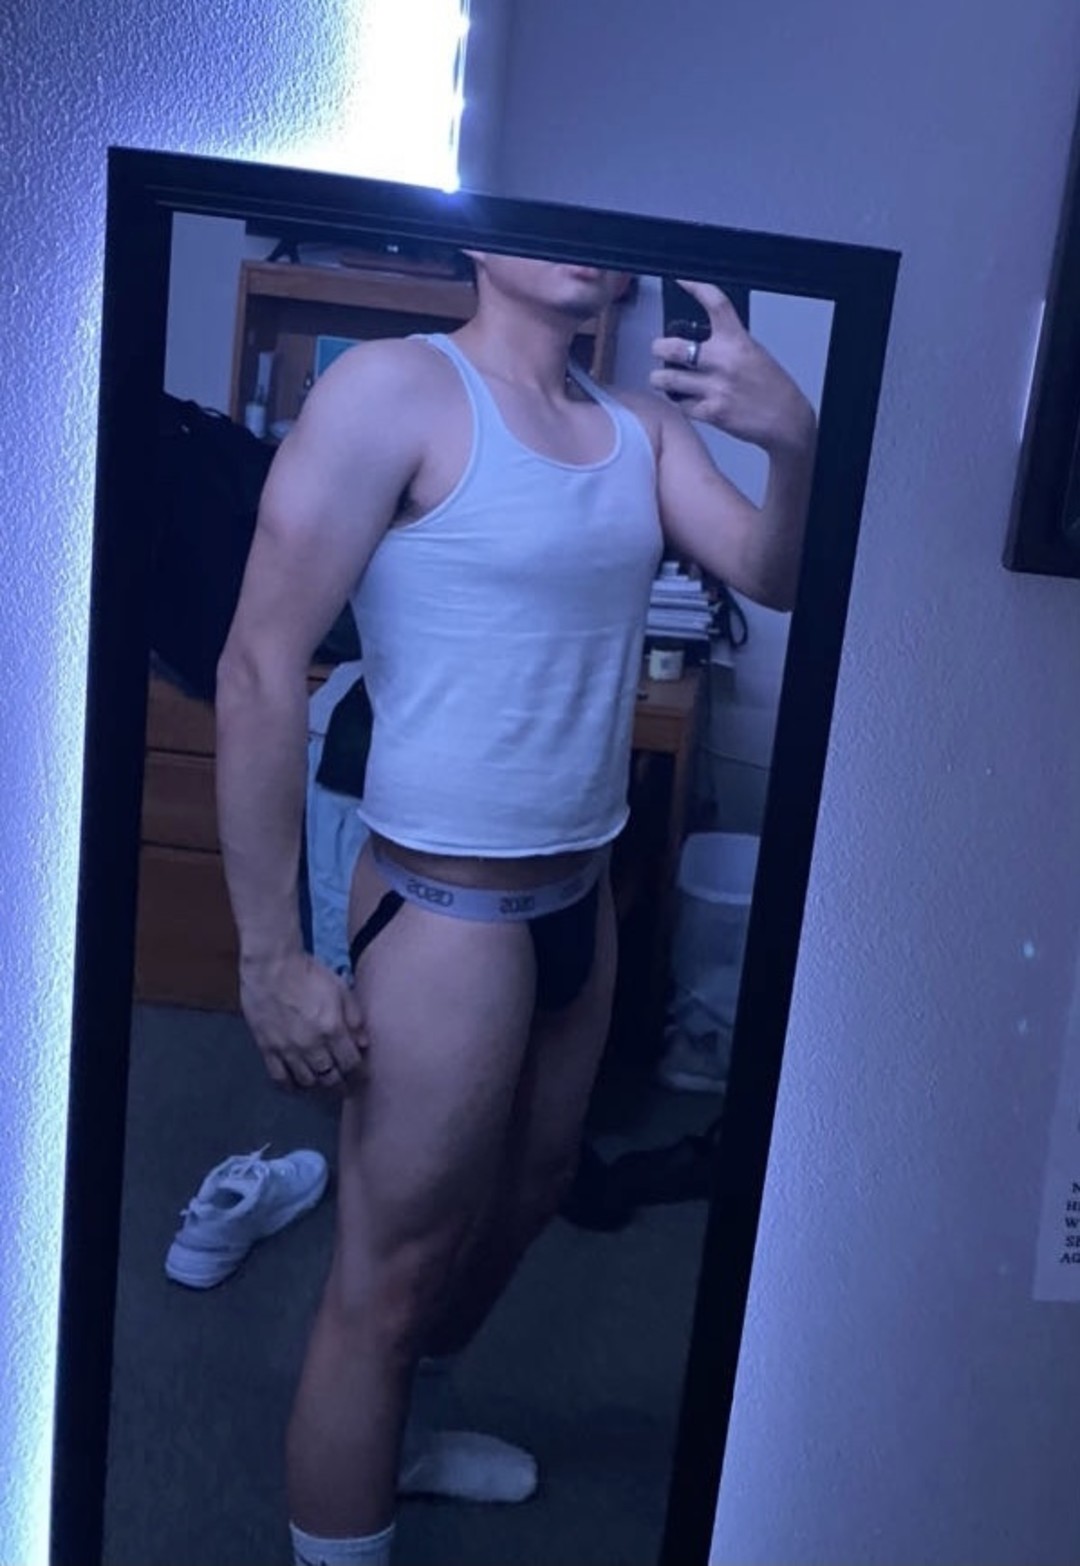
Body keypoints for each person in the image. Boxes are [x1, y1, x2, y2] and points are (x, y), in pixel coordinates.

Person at [214, 255, 817, 1566]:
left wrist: (792, 440)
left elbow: (772, 573)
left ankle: (405, 1433)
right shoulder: (396, 391)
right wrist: (269, 957)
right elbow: (259, 661)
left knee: (532, 1192)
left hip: (578, 896)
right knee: (386, 1276)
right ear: (482, 241)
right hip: (445, 914)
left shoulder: (642, 430)